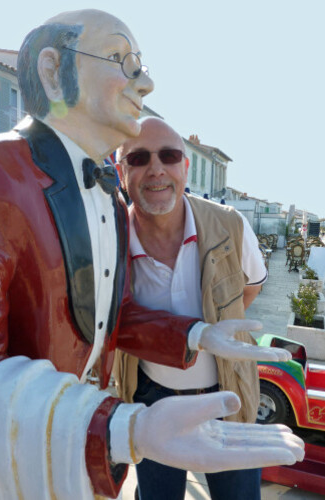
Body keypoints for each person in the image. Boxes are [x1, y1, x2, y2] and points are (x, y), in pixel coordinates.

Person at [0, 9, 303, 500]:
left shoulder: (108, 200)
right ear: (54, 72)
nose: (144, 82)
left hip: (82, 466)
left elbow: (113, 317)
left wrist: (200, 334)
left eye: (140, 63)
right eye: (122, 59)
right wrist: (122, 427)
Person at [114, 117, 274, 500]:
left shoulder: (230, 226)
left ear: (184, 168)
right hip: (151, 400)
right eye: (138, 158)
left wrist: (219, 324)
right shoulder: (110, 237)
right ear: (121, 173)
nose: (156, 169)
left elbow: (250, 289)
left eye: (168, 156)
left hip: (228, 396)